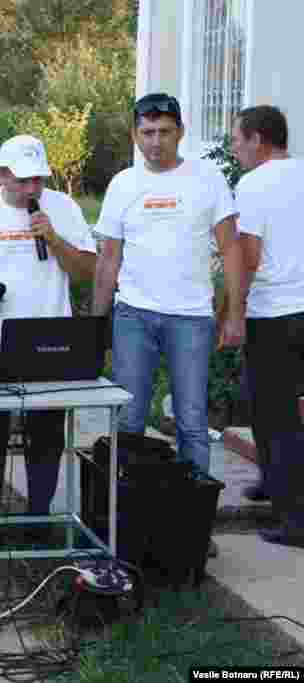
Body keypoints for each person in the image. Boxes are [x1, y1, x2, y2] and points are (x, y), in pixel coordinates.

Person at [93, 94, 245, 556]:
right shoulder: (123, 184)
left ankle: (195, 527)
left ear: (180, 131)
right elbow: (108, 259)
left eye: (163, 132)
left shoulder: (207, 178)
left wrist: (235, 312)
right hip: (134, 316)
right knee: (130, 418)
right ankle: (127, 520)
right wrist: (95, 326)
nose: (155, 142)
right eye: (146, 133)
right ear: (135, 135)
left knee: (192, 421)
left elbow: (232, 247)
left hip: (191, 318)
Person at [0, 135, 97, 542]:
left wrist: (55, 240)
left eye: (38, 181)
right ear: (3, 174)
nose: (31, 190)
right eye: (22, 181)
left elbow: (86, 271)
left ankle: (38, 521)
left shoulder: (63, 208)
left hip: (51, 344)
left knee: (45, 438)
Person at [229, 104, 304, 547]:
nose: (235, 148)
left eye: (238, 139)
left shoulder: (253, 184)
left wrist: (233, 310)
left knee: (273, 414)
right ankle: (273, 483)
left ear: (258, 139)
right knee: (272, 407)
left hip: (274, 313)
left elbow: (249, 256)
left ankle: (293, 519)